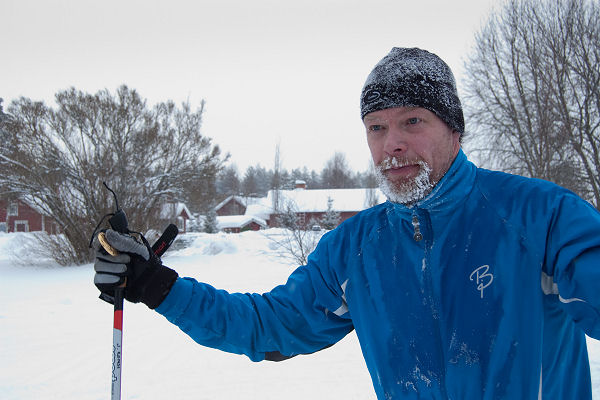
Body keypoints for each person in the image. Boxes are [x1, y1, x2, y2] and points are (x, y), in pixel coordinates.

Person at [94, 47, 600, 399]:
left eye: (412, 122)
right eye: (376, 128)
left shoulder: (539, 216)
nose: (391, 144)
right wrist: (161, 288)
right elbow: (271, 326)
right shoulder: (357, 249)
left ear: (454, 129)